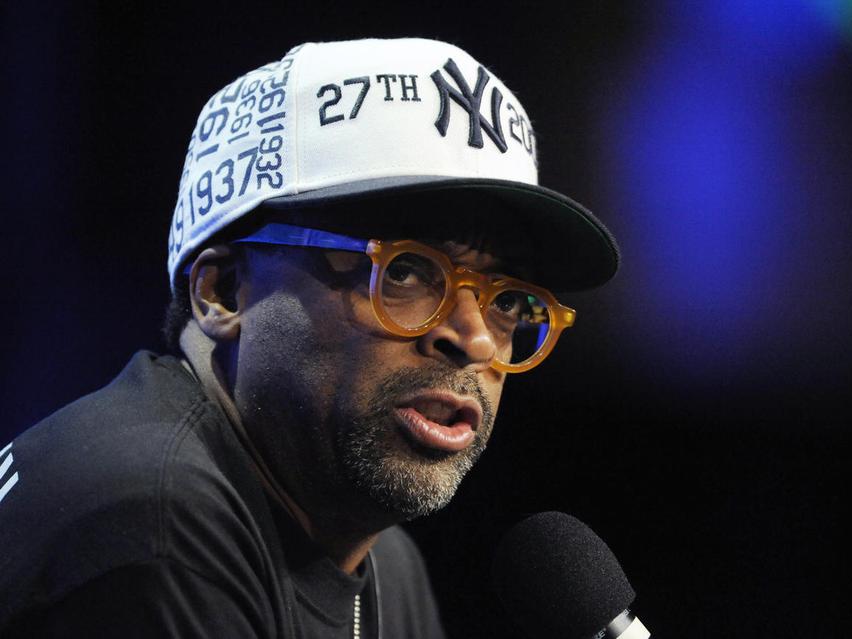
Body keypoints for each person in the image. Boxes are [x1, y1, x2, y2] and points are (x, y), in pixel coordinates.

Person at [0, 38, 619, 637]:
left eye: (508, 301)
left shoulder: (384, 565)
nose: (475, 339)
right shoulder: (153, 529)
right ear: (223, 292)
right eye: (404, 271)